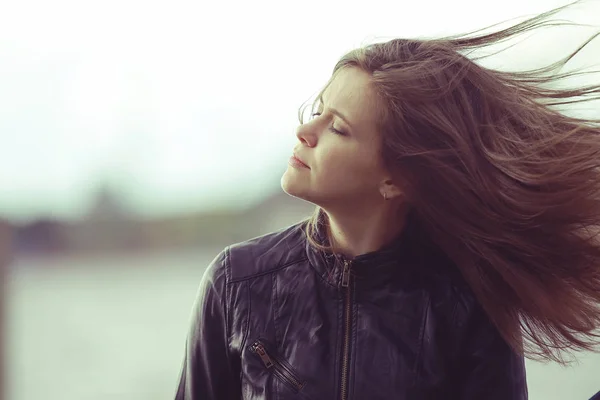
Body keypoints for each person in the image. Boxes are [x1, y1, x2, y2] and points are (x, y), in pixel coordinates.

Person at [175, 3, 600, 399]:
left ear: (396, 179)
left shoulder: (466, 303)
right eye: (318, 109)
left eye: (338, 127)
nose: (307, 130)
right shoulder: (236, 284)